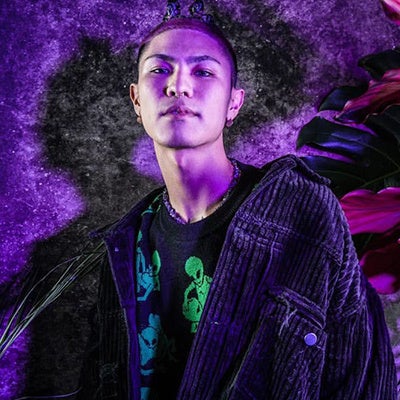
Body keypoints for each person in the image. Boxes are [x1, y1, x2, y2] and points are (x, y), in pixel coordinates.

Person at [78, 1, 397, 399]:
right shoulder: (123, 247)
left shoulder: (301, 210)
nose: (179, 86)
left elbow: (362, 375)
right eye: (159, 70)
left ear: (233, 103)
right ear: (136, 100)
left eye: (203, 71)